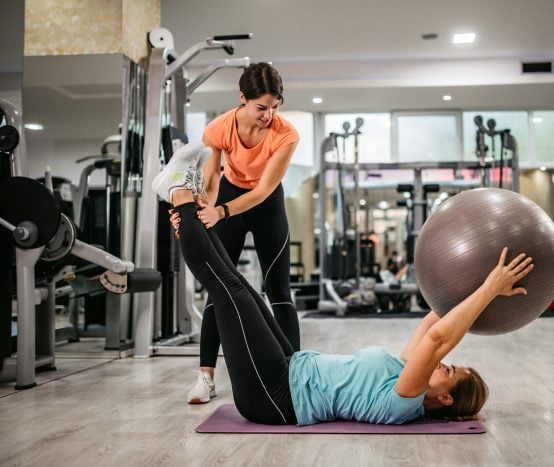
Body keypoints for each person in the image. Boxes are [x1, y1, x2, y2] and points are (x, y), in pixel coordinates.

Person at [153, 146, 534, 426]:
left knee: (229, 292)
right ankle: (190, 212)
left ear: (444, 397)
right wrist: (477, 283)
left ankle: (180, 194)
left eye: (448, 371)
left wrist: (488, 291)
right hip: (289, 369)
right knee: (244, 289)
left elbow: (438, 342)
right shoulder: (403, 373)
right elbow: (431, 326)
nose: (443, 363)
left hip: (275, 398)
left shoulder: (406, 400)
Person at [169, 63, 300, 404]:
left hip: (267, 205)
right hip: (227, 196)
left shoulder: (286, 134)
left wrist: (221, 212)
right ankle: (206, 378)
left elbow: (263, 190)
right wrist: (205, 212)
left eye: (274, 107)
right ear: (243, 99)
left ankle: (297, 373)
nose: (268, 115)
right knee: (219, 287)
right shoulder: (220, 127)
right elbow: (211, 180)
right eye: (261, 107)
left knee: (278, 289)